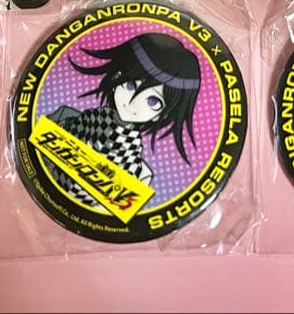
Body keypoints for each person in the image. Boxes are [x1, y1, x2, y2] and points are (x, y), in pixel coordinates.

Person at [47, 33, 201, 202]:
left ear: (161, 115)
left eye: (153, 101)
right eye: (130, 84)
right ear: (116, 77)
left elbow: (110, 212)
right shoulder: (64, 118)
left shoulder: (138, 175)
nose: (133, 102)